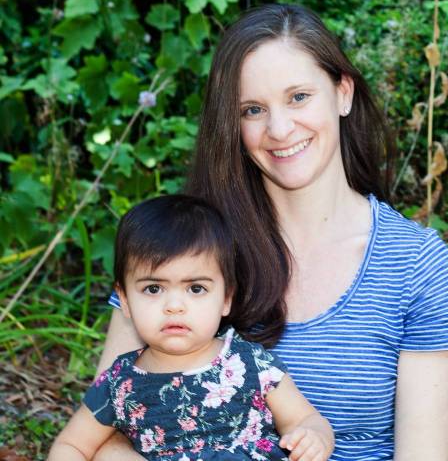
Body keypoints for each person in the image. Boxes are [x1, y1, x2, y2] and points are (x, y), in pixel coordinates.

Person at [93, 4, 448, 461]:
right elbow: (103, 435)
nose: (279, 129)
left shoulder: (415, 265)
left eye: (298, 97)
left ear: (343, 93)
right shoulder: (185, 249)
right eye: (253, 109)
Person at [49, 195, 334, 461]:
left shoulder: (250, 363)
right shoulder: (118, 382)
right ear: (124, 299)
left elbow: (304, 419)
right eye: (153, 288)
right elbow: (72, 445)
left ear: (226, 299)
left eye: (196, 288)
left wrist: (313, 436)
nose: (174, 305)